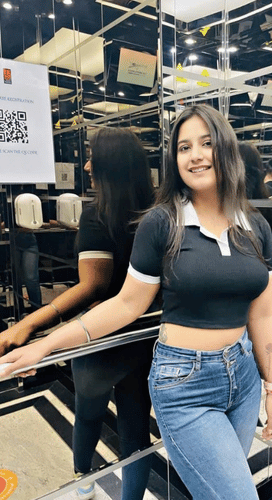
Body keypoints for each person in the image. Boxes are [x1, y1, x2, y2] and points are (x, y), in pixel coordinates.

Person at [0, 104, 272, 500]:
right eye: (184, 147)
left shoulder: (255, 226)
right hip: (184, 384)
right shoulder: (162, 222)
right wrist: (44, 344)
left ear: (226, 149)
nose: (195, 155)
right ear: (174, 160)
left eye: (206, 143)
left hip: (244, 375)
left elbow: (265, 312)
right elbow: (125, 304)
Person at [0, 128, 156, 500]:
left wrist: (29, 323)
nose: (86, 166)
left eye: (92, 158)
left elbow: (93, 286)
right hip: (143, 338)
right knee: (136, 432)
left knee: (88, 414)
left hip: (98, 336)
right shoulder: (158, 214)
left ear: (111, 166)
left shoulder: (97, 215)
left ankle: (82, 480)